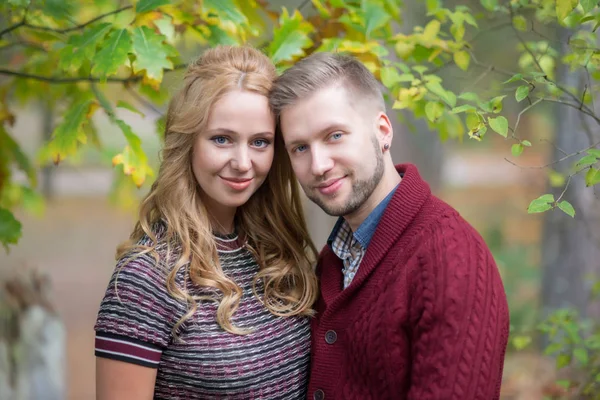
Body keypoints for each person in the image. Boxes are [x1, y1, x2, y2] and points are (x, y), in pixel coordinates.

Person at [269, 52, 510, 400]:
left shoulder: (452, 259)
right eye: (300, 148)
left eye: (335, 135)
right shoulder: (334, 259)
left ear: (382, 131)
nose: (318, 165)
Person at [94, 45, 319, 400]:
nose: (243, 162)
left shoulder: (277, 253)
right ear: (188, 142)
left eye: (260, 142)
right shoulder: (145, 279)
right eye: (222, 139)